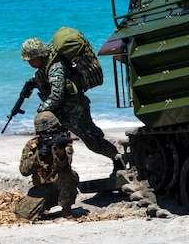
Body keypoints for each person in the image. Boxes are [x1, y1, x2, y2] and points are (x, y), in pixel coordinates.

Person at [20, 37, 121, 171]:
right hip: (62, 113)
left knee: (94, 141)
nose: (30, 63)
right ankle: (60, 173)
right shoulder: (46, 67)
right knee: (55, 143)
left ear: (39, 56)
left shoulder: (55, 67)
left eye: (31, 60)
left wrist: (42, 109)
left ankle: (117, 158)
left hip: (75, 111)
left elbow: (57, 95)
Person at [15, 111, 79, 220]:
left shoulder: (63, 143)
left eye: (52, 131)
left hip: (60, 187)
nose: (48, 135)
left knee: (69, 174)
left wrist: (59, 151)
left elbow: (65, 165)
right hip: (42, 189)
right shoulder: (32, 145)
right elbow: (24, 171)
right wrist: (38, 156)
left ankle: (67, 210)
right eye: (44, 132)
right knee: (24, 215)